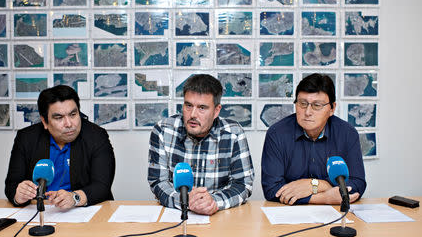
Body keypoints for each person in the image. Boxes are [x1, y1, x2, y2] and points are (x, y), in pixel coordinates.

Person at [148, 74, 255, 215]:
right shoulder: (163, 130)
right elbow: (158, 182)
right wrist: (185, 200)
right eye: (188, 105)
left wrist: (214, 202)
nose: (193, 114)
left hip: (219, 217)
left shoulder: (234, 133)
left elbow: (243, 184)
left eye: (202, 108)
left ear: (216, 110)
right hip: (176, 215)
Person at [261, 73, 366, 205]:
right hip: (288, 214)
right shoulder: (277, 133)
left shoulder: (347, 133)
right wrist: (324, 198)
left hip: (335, 214)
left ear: (332, 108)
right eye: (303, 104)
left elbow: (358, 183)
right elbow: (272, 189)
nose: (308, 112)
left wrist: (314, 185)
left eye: (317, 105)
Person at [5, 85, 116, 209]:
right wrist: (19, 195)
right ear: (44, 121)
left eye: (73, 115)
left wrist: (74, 197)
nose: (69, 124)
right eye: (59, 118)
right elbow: (12, 184)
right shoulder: (26, 138)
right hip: (39, 211)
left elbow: (102, 186)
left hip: (82, 210)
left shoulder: (96, 136)